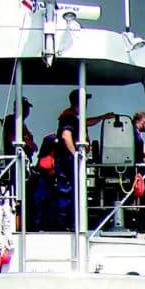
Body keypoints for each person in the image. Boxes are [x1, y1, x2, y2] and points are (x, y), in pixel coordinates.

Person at [52, 89, 114, 228]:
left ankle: (72, 223)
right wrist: (75, 155)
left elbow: (86, 122)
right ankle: (64, 225)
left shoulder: (75, 117)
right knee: (66, 192)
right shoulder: (68, 117)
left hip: (69, 161)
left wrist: (103, 117)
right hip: (66, 162)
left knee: (74, 191)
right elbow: (65, 136)